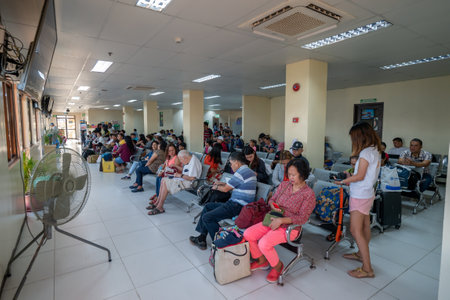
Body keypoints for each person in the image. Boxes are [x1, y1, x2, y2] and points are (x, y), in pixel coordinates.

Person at [244, 158, 315, 283]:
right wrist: (272, 205)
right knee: (248, 234)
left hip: (291, 227)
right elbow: (272, 199)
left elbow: (303, 218)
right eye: (289, 174)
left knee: (264, 243)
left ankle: (278, 266)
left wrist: (282, 220)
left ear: (303, 174)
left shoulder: (308, 194)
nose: (290, 177)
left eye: (294, 175)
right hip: (273, 219)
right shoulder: (284, 185)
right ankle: (262, 261)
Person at [337, 122, 381, 279]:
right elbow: (365, 175)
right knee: (365, 226)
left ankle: (367, 268)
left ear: (360, 137)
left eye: (353, 138)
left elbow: (361, 176)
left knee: (356, 230)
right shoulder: (374, 150)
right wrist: (351, 177)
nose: (353, 142)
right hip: (368, 193)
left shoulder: (365, 153)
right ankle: (360, 255)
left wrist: (343, 181)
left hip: (360, 195)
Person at [190, 152, 257, 250]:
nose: (231, 166)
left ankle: (221, 243)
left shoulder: (241, 172)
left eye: (231, 163)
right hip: (238, 204)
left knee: (207, 217)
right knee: (208, 207)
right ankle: (202, 238)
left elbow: (226, 189)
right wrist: (221, 183)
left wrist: (216, 186)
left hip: (237, 206)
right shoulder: (247, 171)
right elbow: (234, 185)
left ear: (237, 163)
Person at [148, 150, 202, 215]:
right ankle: (157, 203)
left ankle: (160, 207)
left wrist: (180, 175)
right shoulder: (189, 159)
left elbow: (192, 178)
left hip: (190, 182)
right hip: (183, 179)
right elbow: (185, 170)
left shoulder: (194, 163)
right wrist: (176, 166)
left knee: (166, 182)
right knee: (163, 179)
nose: (181, 162)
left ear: (185, 157)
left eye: (181, 160)